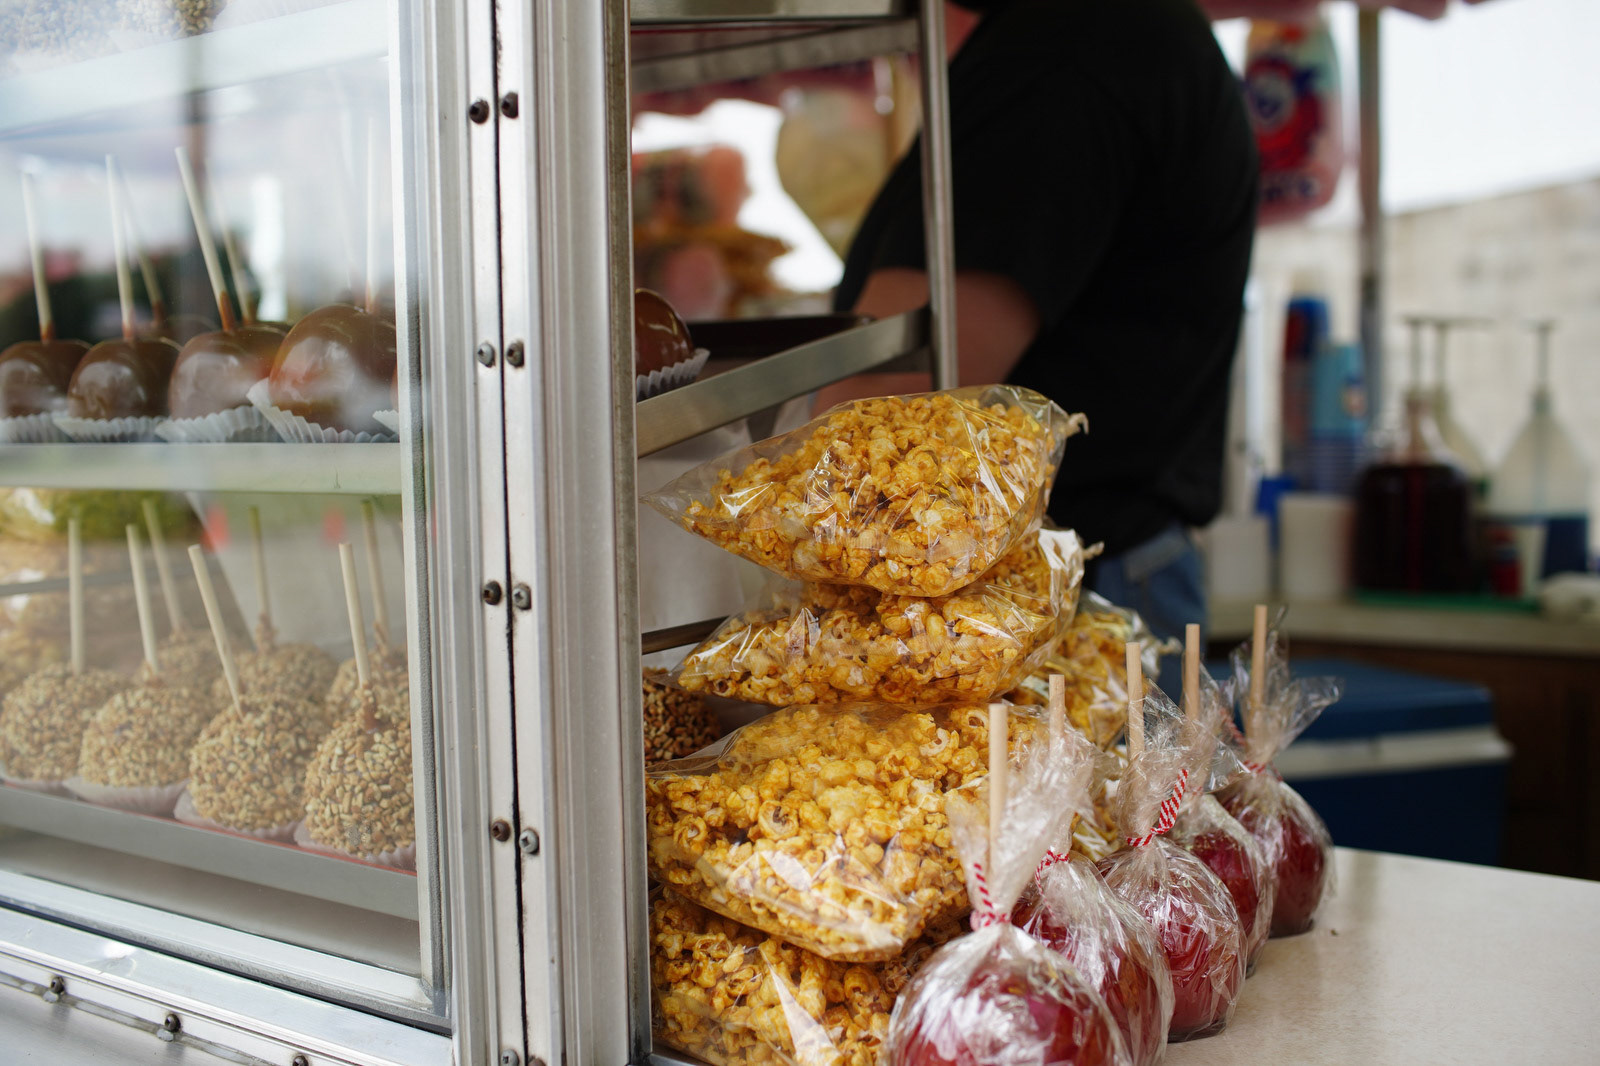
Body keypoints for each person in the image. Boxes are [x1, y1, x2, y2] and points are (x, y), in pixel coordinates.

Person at [828, 0, 1259, 660]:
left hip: (1057, 604)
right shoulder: (1098, 36)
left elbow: (886, 412)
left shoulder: (1071, 45)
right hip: (1084, 581)